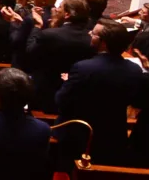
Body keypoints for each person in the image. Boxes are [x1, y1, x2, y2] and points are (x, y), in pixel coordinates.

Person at [54, 19, 142, 164]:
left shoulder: (83, 68)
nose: (89, 34)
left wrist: (68, 83)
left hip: (80, 135)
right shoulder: (134, 70)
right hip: (113, 135)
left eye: (93, 34)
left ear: (103, 43)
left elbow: (61, 101)